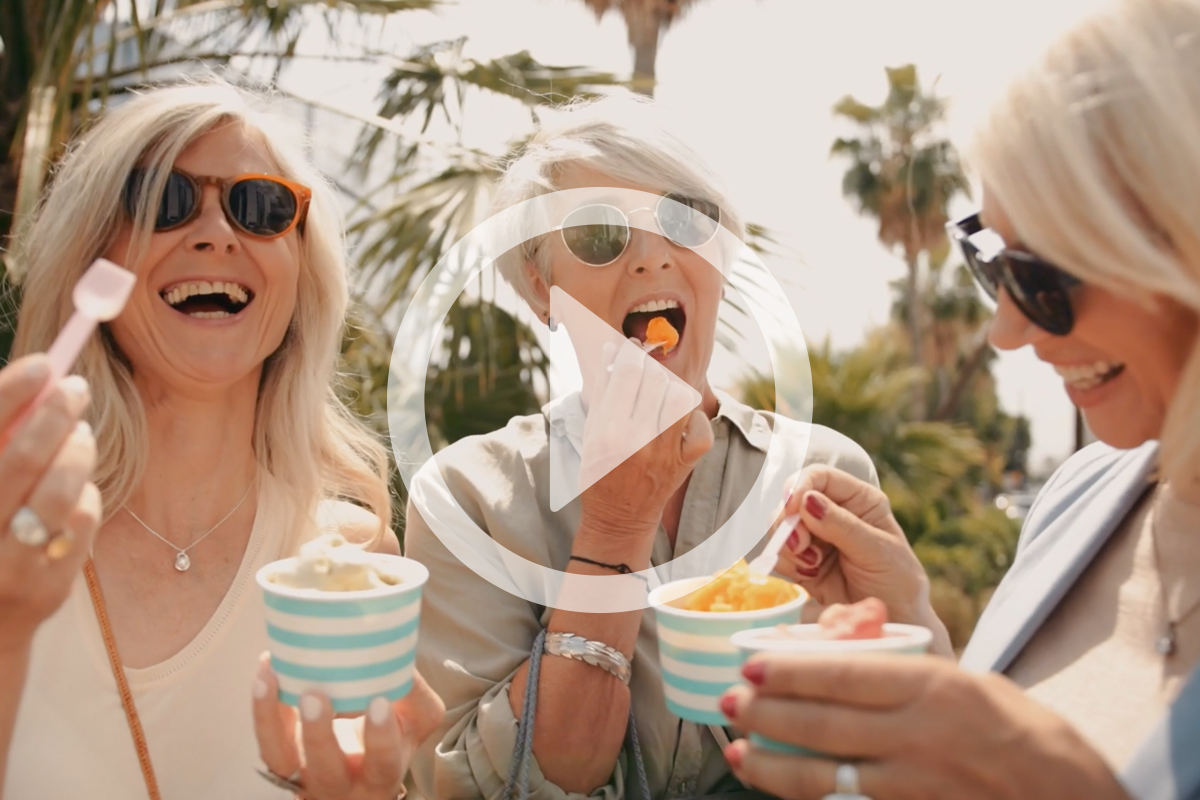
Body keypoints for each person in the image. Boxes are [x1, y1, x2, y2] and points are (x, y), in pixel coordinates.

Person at [719, 1, 1200, 798]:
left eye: (1041, 278)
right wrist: (916, 645)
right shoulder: (1080, 495)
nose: (1006, 331)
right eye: (990, 262)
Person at [403, 97, 943, 800]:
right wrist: (615, 529)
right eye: (600, 232)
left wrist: (907, 627)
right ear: (541, 287)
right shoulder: (470, 496)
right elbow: (466, 787)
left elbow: (906, 757)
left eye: (684, 220)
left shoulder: (824, 478)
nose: (653, 255)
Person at [1, 81, 442, 800]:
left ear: (301, 276)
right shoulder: (13, 531)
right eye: (163, 200)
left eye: (261, 207)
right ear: (92, 259)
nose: (215, 232)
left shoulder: (351, 565)